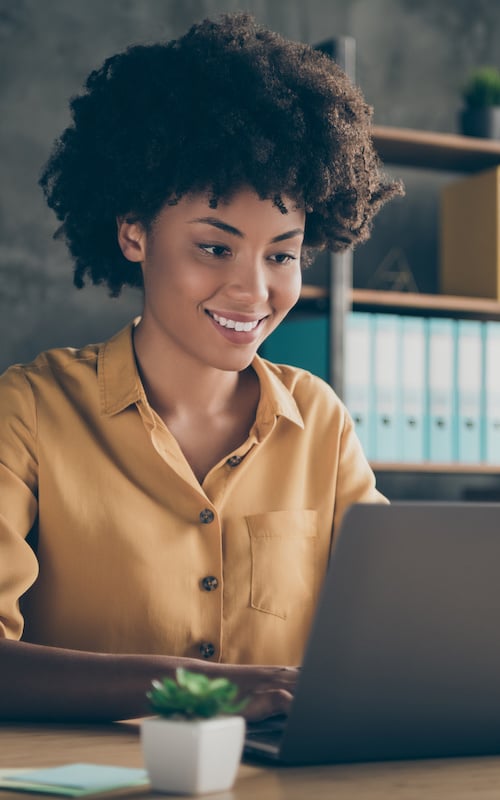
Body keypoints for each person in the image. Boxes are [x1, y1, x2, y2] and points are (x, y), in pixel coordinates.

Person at [0, 12, 403, 722]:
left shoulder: (320, 422)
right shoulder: (29, 412)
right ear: (134, 232)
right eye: (215, 248)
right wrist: (207, 692)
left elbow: (396, 634)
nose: (254, 291)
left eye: (282, 254)